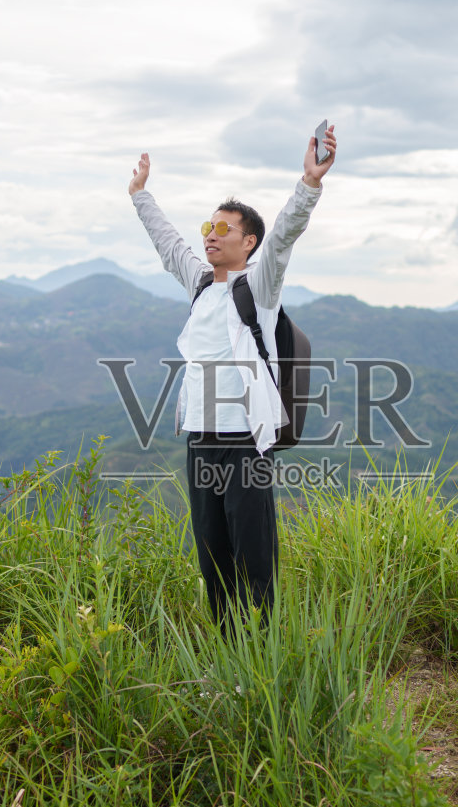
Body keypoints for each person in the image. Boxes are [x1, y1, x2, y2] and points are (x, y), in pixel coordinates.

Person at [127, 126, 337, 631]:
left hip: (246, 444)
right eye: (209, 226)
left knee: (253, 562)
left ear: (249, 242)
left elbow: (285, 235)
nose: (211, 235)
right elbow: (168, 243)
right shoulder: (200, 285)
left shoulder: (258, 289)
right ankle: (226, 662)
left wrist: (309, 184)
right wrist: (140, 196)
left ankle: (260, 664)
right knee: (213, 560)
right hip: (201, 441)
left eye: (224, 229)